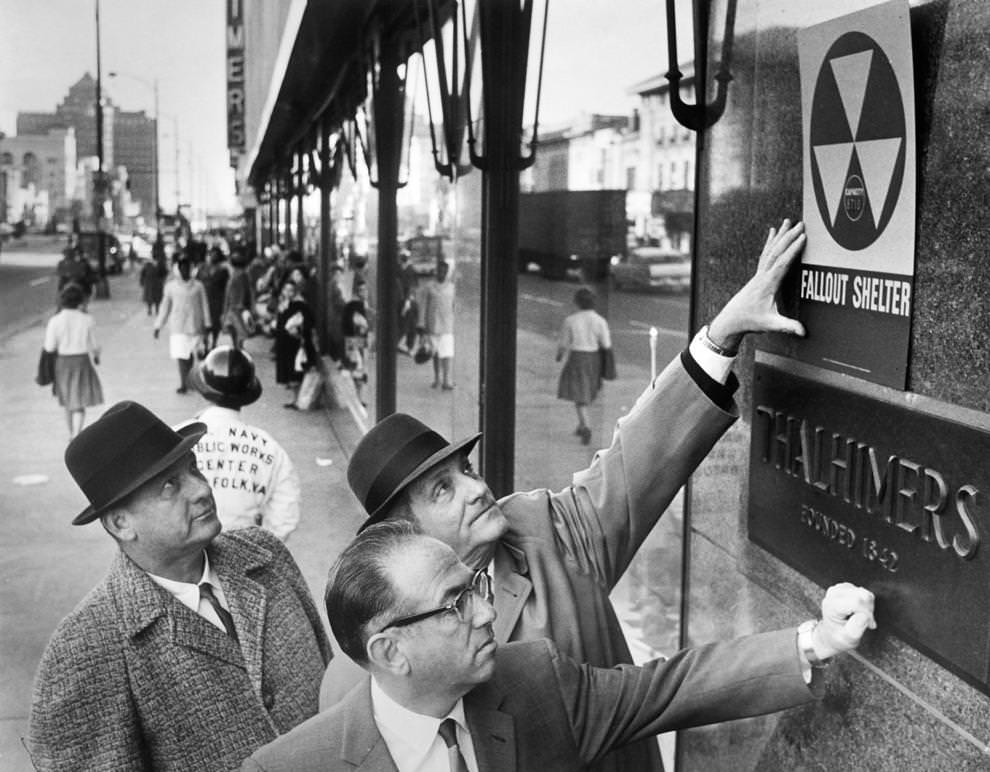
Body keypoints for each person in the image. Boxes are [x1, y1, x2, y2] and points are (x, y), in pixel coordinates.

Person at [319, 219, 809, 772]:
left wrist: (723, 334)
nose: (477, 489)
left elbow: (637, 460)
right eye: (443, 490)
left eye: (467, 469)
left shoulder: (543, 532)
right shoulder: (361, 676)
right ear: (405, 534)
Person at [245, 522, 875, 772]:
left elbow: (669, 688)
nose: (488, 612)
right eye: (456, 604)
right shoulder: (289, 770)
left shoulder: (535, 681)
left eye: (476, 587)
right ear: (389, 652)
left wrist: (817, 640)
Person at [25, 401, 332, 772]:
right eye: (170, 486)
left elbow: (333, 690)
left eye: (193, 468)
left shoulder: (266, 556)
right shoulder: (85, 647)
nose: (201, 489)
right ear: (121, 523)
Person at [187, 346, 301, 540]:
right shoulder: (269, 448)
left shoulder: (179, 439)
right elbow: (285, 514)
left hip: (186, 552)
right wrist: (258, 549)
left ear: (203, 389)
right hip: (245, 548)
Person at [42, 282, 104, 440]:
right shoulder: (87, 319)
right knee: (79, 401)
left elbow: (49, 347)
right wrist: (97, 356)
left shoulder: (55, 321)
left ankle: (72, 434)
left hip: (63, 363)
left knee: (68, 401)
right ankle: (76, 434)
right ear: (80, 301)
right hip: (82, 362)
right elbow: (94, 345)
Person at [556, 285, 612, 445]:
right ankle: (581, 425)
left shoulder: (571, 320)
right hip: (594, 359)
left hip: (577, 358)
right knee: (586, 391)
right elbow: (606, 344)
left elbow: (563, 344)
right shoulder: (600, 321)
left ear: (577, 303)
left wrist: (559, 356)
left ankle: (586, 426)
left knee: (578, 393)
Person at [154, 256, 210, 394]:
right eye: (182, 268)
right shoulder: (171, 287)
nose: (185, 271)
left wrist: (208, 323)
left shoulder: (198, 286)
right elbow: (165, 307)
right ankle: (183, 384)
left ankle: (190, 381)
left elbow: (205, 305)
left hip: (195, 326)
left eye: (187, 268)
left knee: (190, 356)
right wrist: (158, 325)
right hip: (178, 327)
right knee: (180, 356)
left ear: (191, 269)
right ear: (178, 269)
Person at [274, 279, 317, 397]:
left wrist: (298, 329)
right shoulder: (283, 305)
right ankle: (295, 399)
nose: (288, 293)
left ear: (295, 291)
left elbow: (310, 322)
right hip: (284, 343)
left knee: (296, 371)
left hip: (296, 342)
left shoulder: (300, 305)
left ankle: (298, 399)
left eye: (291, 290)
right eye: (286, 290)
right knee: (290, 371)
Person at [419, 258, 456, 390]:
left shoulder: (452, 288)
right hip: (432, 325)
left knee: (447, 354)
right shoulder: (429, 287)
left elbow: (455, 307)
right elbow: (423, 306)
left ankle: (447, 380)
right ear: (436, 271)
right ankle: (437, 379)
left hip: (447, 326)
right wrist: (421, 325)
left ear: (447, 272)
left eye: (444, 271)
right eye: (440, 271)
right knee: (435, 354)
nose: (442, 273)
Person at [341, 278, 374, 406]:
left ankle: (357, 398)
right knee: (357, 369)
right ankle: (357, 399)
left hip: (354, 340)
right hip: (355, 340)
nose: (365, 292)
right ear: (357, 291)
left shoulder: (358, 304)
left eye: (366, 290)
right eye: (362, 290)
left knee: (357, 369)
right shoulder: (356, 306)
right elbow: (360, 325)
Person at [198, 246, 230, 350]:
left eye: (215, 255)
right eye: (212, 254)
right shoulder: (202, 268)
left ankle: (214, 344)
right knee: (204, 324)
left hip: (217, 301)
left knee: (215, 325)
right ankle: (205, 344)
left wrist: (226, 303)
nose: (213, 256)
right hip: (204, 300)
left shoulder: (223, 270)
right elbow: (197, 283)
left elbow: (226, 287)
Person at [223, 248, 255, 347]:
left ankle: (238, 350)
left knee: (238, 333)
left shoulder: (240, 275)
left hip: (237, 308)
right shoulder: (238, 274)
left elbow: (244, 291)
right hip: (235, 308)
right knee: (235, 333)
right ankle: (237, 349)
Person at [396, 249, 418, 354]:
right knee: (401, 324)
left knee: (410, 324)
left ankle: (409, 346)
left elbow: (412, 286)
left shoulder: (410, 269)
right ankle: (398, 343)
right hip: (400, 300)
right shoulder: (398, 269)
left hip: (408, 301)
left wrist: (408, 300)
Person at [139, 250, 168, 316]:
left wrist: (162, 279)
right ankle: (149, 309)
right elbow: (143, 273)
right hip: (149, 283)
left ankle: (157, 309)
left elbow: (165, 273)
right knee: (149, 297)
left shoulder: (160, 264)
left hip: (157, 283)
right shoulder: (148, 264)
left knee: (157, 298)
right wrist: (142, 281)